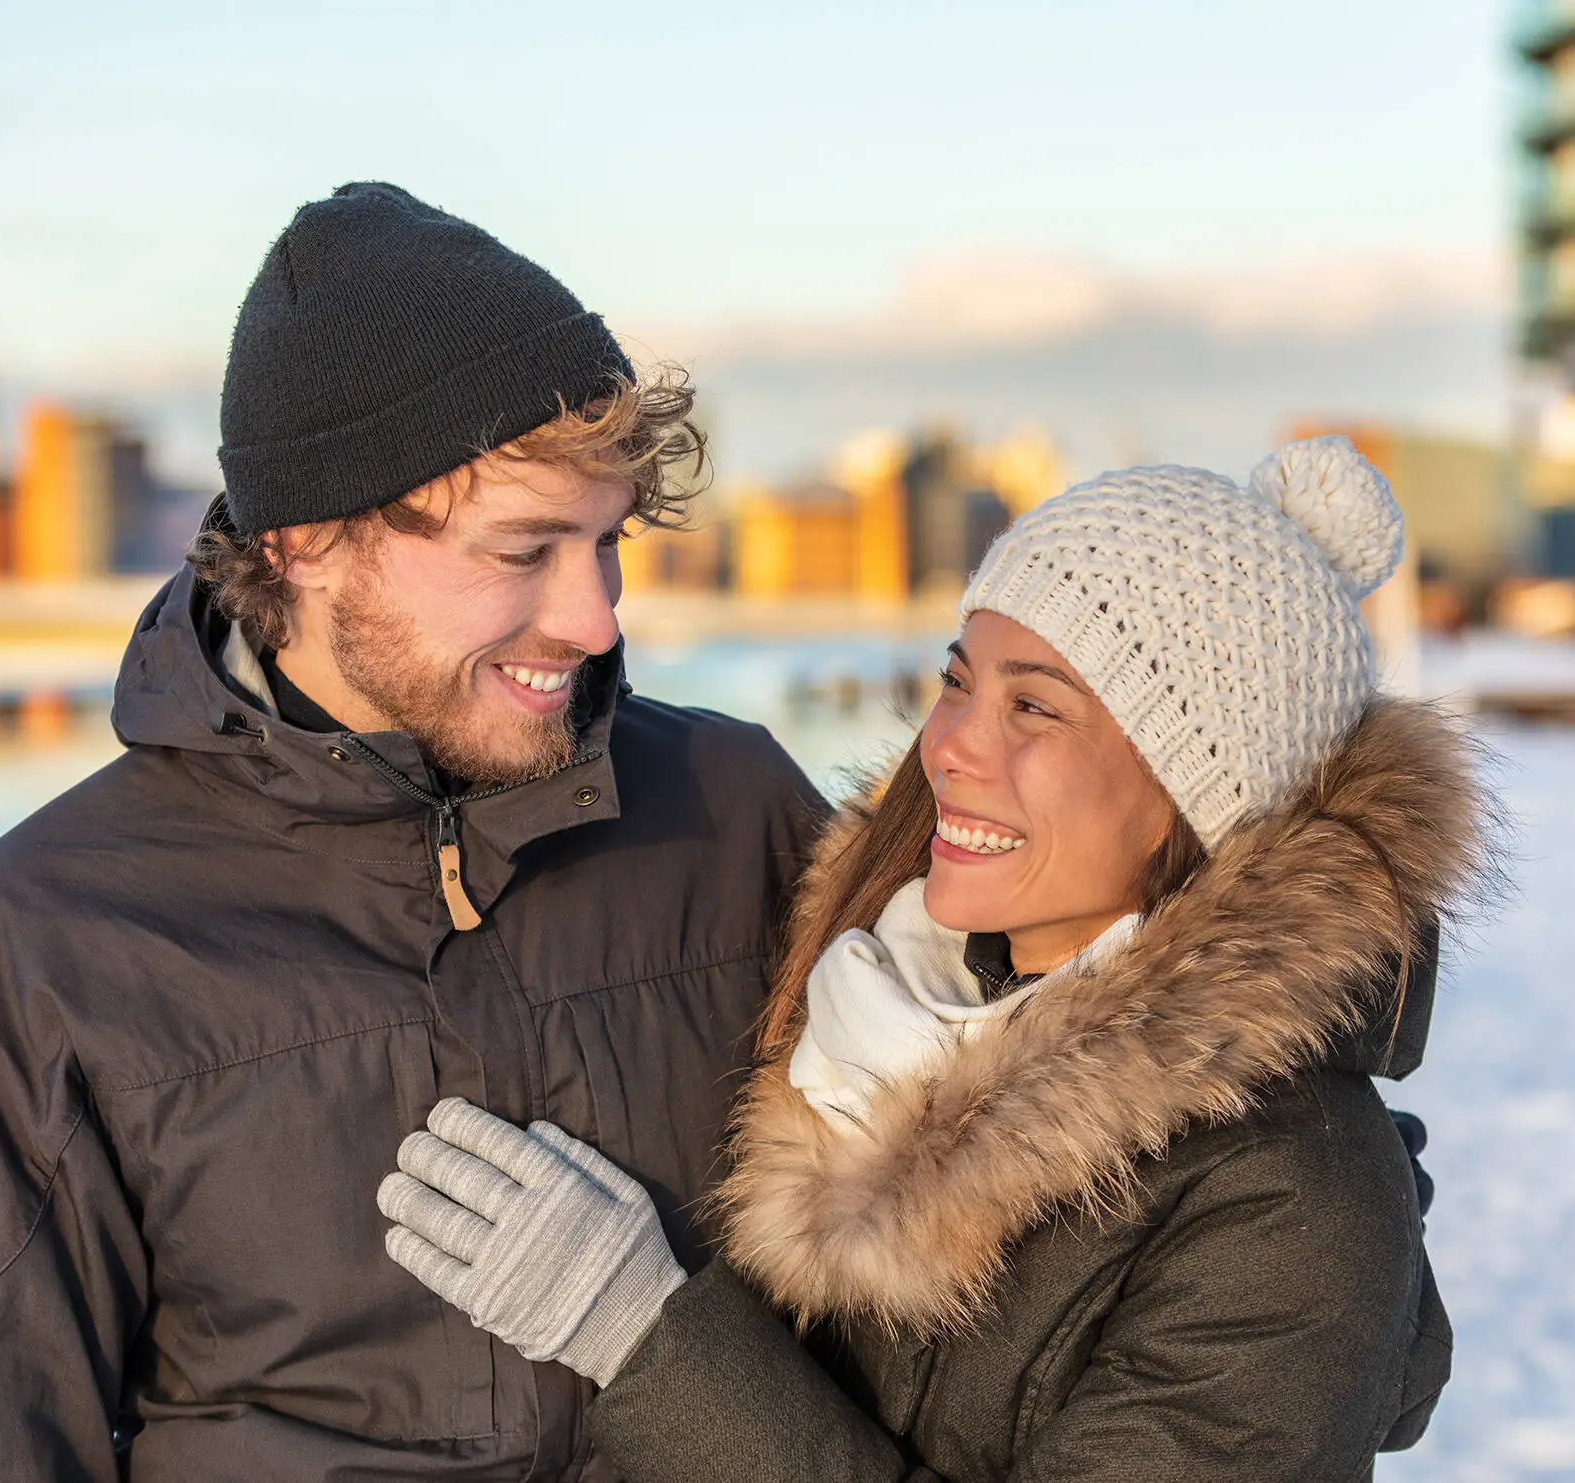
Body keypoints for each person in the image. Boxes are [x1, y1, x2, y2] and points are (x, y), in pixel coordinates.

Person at [0, 182, 827, 1480]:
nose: (594, 619)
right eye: (522, 550)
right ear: (306, 541)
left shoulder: (733, 808)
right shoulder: (49, 936)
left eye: (605, 543)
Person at [378, 438, 1498, 1481]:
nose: (950, 746)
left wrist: (642, 1339)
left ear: (1200, 798)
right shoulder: (859, 996)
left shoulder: (1292, 1203)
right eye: (958, 682)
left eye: (1034, 708)